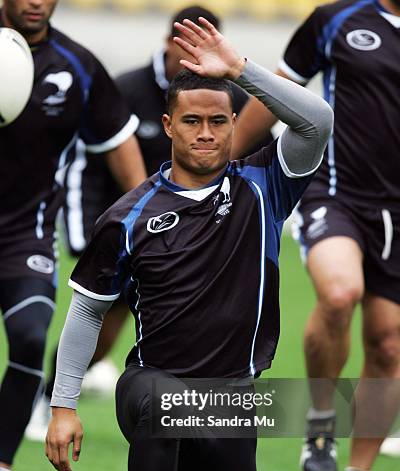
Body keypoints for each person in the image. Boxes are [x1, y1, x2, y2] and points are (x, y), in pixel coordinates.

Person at [46, 17, 332, 471]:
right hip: (154, 385)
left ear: (233, 126)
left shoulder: (263, 190)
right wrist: (63, 406)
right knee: (159, 400)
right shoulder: (128, 216)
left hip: (230, 399)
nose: (206, 133)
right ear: (168, 125)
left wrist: (241, 70)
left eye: (218, 121)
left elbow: (316, 119)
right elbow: (87, 311)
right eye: (193, 121)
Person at [27, 4, 274, 441]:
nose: (206, 129)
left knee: (136, 324)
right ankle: (52, 396)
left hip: (191, 227)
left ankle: (190, 407)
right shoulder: (128, 88)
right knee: (101, 311)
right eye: (190, 46)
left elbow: (279, 136)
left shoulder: (227, 97)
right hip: (126, 223)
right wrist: (91, 227)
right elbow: (89, 155)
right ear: (168, 44)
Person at [232, 0, 400, 471]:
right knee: (339, 292)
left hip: (397, 212)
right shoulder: (337, 19)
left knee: (389, 345)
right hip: (336, 193)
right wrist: (227, 152)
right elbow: (283, 87)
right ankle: (322, 417)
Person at [0, 0, 147, 471]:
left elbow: (121, 149)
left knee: (29, 334)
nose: (35, 2)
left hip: (27, 235)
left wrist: (153, 223)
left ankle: (0, 468)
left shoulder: (77, 66)